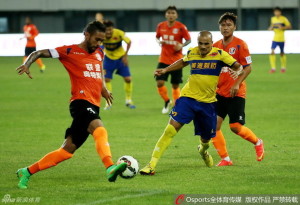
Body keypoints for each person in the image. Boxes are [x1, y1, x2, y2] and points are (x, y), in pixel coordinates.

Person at [15, 21, 127, 189]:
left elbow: (98, 71)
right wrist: (27, 63)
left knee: (66, 151)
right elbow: (38, 53)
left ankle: (26, 171)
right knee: (99, 128)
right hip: (80, 102)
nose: (99, 44)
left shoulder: (99, 52)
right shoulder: (69, 51)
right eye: (97, 39)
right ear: (87, 35)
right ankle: (110, 167)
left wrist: (103, 89)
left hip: (93, 103)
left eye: (102, 41)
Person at [140, 31, 244, 175]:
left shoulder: (220, 54)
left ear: (211, 43)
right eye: (200, 43)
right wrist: (165, 69)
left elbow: (238, 66)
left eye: (206, 44)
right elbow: (183, 62)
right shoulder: (192, 52)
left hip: (207, 103)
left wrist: (238, 72)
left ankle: (203, 150)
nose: (202, 47)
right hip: (188, 98)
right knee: (170, 129)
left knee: (206, 140)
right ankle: (151, 165)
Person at [212, 12, 265, 167]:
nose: (225, 28)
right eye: (223, 25)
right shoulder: (215, 46)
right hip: (220, 92)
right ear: (219, 27)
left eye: (229, 25)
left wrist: (236, 83)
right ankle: (225, 159)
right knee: (213, 127)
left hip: (236, 92)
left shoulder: (241, 44)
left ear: (235, 27)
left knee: (235, 127)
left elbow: (248, 68)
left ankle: (257, 142)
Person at [155, 6, 191, 114]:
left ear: (176, 15)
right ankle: (166, 101)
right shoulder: (160, 26)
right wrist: (159, 42)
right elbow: (157, 37)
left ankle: (175, 105)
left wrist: (181, 45)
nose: (171, 15)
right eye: (169, 13)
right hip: (163, 59)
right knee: (159, 82)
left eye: (173, 13)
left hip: (177, 61)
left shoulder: (181, 27)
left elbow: (189, 40)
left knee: (175, 85)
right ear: (166, 14)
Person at [102, 20, 135, 109]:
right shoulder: (101, 35)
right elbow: (99, 47)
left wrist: (125, 56)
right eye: (106, 30)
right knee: (107, 80)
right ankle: (108, 102)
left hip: (121, 59)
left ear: (113, 29)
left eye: (110, 30)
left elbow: (129, 42)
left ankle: (128, 100)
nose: (108, 32)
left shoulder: (119, 33)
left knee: (128, 79)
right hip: (108, 59)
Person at [268, 7, 292, 73]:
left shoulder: (284, 18)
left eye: (278, 12)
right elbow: (272, 26)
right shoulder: (273, 19)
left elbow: (289, 26)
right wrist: (270, 28)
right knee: (272, 51)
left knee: (281, 53)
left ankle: (283, 67)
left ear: (280, 12)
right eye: (275, 12)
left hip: (281, 39)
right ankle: (273, 68)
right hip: (275, 38)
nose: (276, 13)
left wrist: (283, 27)